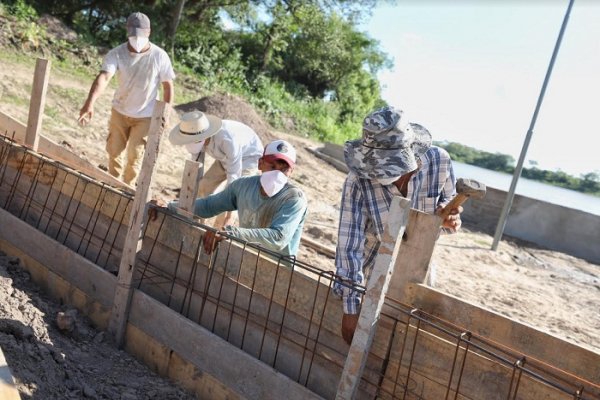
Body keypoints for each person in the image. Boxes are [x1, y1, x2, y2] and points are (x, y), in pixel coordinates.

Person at [333, 106, 462, 345]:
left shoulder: (439, 163)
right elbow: (348, 245)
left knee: (407, 339)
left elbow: (448, 217)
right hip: (373, 265)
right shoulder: (357, 180)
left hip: (418, 266)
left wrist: (448, 220)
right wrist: (351, 307)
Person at [163, 139, 307, 257]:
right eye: (273, 166)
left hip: (279, 271)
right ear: (260, 163)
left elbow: (278, 238)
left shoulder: (293, 199)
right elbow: (208, 206)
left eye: (284, 169)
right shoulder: (243, 186)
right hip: (246, 257)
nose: (277, 173)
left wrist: (231, 232)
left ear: (291, 172)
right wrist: (170, 206)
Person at [78, 12, 175, 185]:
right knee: (114, 151)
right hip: (120, 111)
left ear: (149, 32)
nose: (137, 38)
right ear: (127, 31)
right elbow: (104, 77)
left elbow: (167, 86)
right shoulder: (117, 54)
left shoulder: (159, 56)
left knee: (135, 157)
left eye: (141, 34)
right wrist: (89, 103)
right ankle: (112, 185)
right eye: (133, 34)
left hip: (145, 116)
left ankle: (127, 189)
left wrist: (165, 115)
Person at [169, 110, 264, 226]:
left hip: (247, 159)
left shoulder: (227, 140)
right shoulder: (195, 133)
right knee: (203, 186)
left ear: (203, 137)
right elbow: (196, 164)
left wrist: (229, 213)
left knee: (227, 199)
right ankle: (196, 222)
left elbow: (234, 177)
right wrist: (188, 194)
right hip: (223, 158)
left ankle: (218, 231)